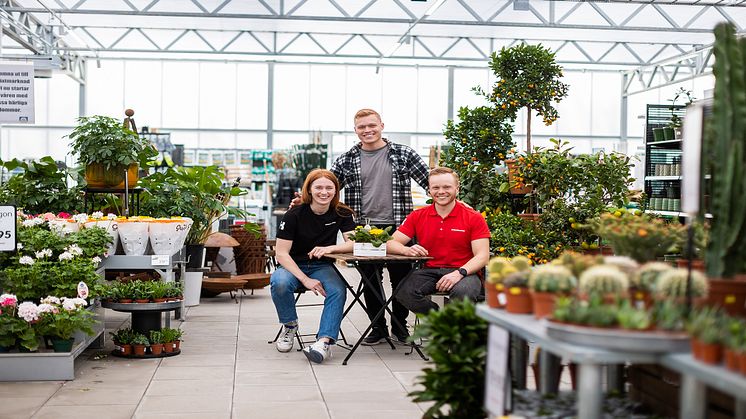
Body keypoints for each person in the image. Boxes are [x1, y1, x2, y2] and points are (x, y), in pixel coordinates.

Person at [330, 108, 430, 345]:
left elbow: (431, 182)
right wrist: (302, 200)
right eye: (362, 127)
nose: (367, 130)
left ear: (382, 125)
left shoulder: (404, 154)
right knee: (370, 281)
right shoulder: (346, 159)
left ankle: (399, 326)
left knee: (401, 280)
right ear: (355, 130)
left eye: (371, 125)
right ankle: (378, 328)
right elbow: (328, 187)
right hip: (363, 230)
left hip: (400, 227)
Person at [270, 169, 356, 364]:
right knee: (279, 282)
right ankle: (290, 325)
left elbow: (353, 243)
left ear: (336, 190)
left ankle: (324, 342)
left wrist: (329, 249)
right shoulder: (294, 214)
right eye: (318, 187)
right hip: (293, 265)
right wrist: (305, 279)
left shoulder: (342, 212)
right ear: (309, 189)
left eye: (329, 188)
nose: (324, 192)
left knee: (337, 290)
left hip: (322, 266)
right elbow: (281, 253)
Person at [387, 167, 490, 313]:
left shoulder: (474, 217)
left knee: (463, 294)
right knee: (404, 292)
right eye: (435, 187)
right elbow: (390, 243)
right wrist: (406, 249)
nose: (441, 191)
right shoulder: (418, 216)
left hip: (465, 271)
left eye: (447, 187)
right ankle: (439, 323)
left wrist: (459, 273)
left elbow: (482, 256)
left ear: (457, 188)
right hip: (430, 270)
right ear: (429, 190)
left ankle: (451, 331)